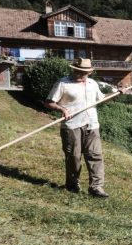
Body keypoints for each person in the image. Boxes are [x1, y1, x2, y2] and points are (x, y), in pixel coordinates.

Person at [44, 58, 109, 198]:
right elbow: (49, 102)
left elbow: (102, 98)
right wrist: (62, 109)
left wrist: (118, 92)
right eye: (77, 71)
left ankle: (96, 187)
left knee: (95, 155)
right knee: (73, 157)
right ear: (73, 69)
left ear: (90, 72)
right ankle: (72, 185)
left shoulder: (92, 84)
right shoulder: (63, 83)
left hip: (92, 124)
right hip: (72, 125)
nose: (79, 74)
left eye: (83, 72)